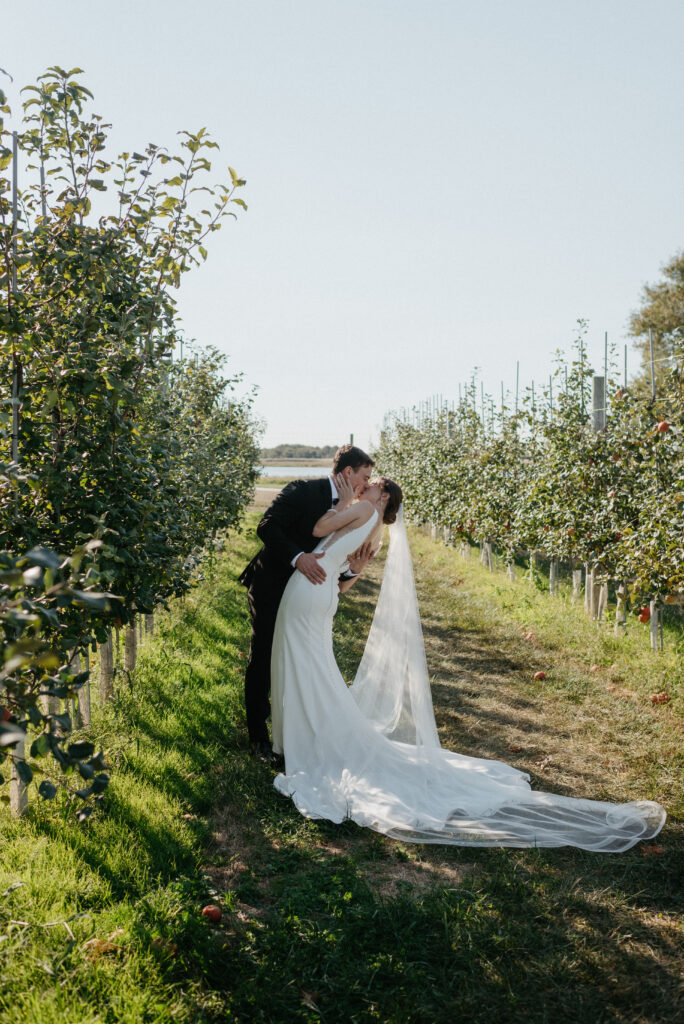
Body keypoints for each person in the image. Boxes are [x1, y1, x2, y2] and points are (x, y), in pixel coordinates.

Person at [269, 478, 666, 852]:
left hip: (312, 589)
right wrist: (353, 558)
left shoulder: (363, 512)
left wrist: (340, 502)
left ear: (384, 496)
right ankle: (313, 735)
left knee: (314, 672)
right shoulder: (372, 525)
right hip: (322, 592)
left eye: (373, 483)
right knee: (317, 672)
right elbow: (345, 576)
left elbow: (320, 528)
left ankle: (311, 739)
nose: (366, 484)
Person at [239, 444, 375, 761]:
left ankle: (297, 731)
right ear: (347, 473)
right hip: (273, 583)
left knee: (301, 660)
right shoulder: (302, 490)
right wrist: (298, 558)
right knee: (264, 655)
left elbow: (333, 557)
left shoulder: (351, 508)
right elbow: (266, 526)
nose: (366, 486)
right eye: (364, 478)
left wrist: (353, 571)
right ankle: (259, 738)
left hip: (307, 596)